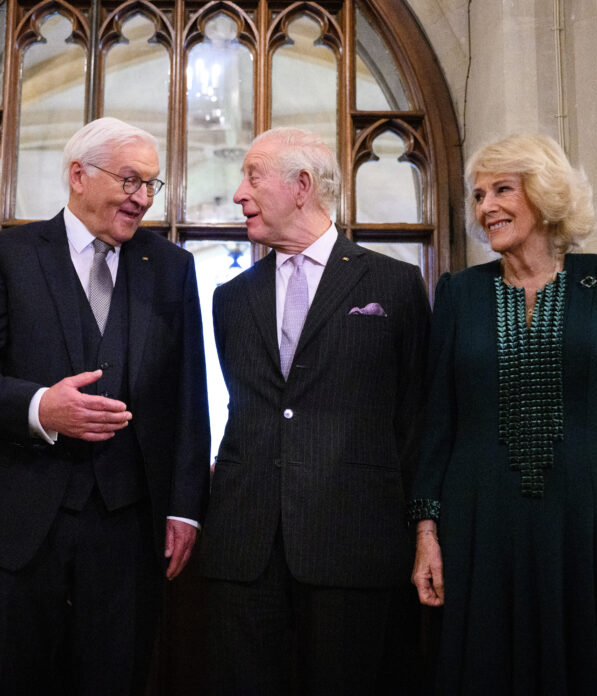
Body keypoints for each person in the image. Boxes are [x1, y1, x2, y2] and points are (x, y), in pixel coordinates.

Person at [0, 117, 210, 694]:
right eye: (130, 180)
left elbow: (190, 397)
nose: (143, 198)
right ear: (78, 175)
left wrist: (185, 509)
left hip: (128, 527)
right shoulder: (9, 254)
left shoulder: (171, 267)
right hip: (17, 519)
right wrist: (40, 408)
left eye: (151, 184)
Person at [409, 132, 597, 694]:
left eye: (502, 190)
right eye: (478, 195)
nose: (485, 207)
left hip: (593, 530)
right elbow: (437, 423)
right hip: (482, 530)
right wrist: (426, 532)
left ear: (546, 193)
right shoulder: (459, 293)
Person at [200, 127, 431, 694]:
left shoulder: (395, 285)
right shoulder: (231, 298)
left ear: (301, 186)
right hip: (245, 546)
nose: (239, 194)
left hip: (354, 542)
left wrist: (424, 527)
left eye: (253, 177)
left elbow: (416, 419)